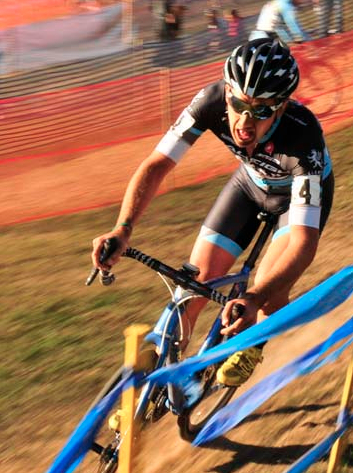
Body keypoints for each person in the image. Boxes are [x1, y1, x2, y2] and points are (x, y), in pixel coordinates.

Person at [90, 37, 333, 387]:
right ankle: (148, 385)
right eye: (239, 103)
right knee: (193, 285)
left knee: (269, 288)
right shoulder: (210, 101)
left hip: (296, 202)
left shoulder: (303, 138)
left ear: (281, 108)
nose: (245, 122)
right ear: (227, 93)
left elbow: (303, 243)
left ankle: (254, 341)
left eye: (262, 109)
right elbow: (157, 164)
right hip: (250, 186)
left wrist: (256, 296)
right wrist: (122, 228)